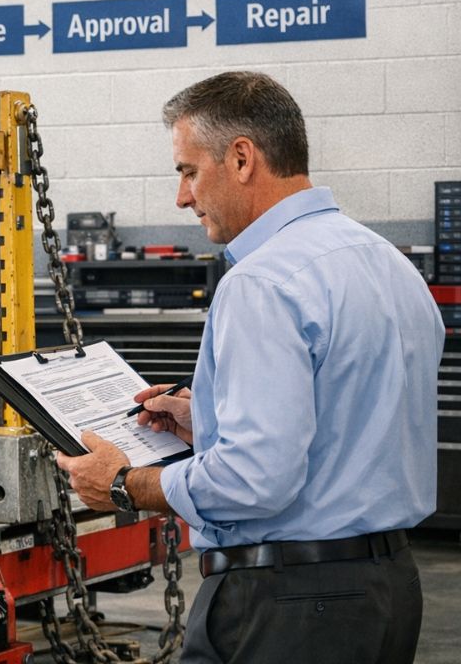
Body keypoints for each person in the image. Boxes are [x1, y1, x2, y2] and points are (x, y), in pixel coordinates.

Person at [55, 71, 444, 663]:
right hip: (387, 591)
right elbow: (350, 420)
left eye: (188, 171)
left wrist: (124, 484)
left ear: (241, 158)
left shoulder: (262, 281)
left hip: (286, 605)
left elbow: (254, 478)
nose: (182, 197)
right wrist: (207, 420)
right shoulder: (386, 263)